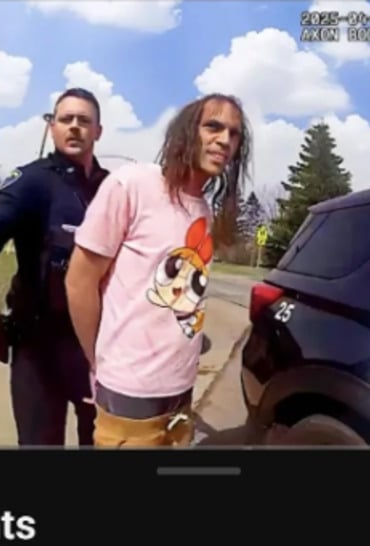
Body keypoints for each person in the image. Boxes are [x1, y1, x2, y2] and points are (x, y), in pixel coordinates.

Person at [65, 93, 251, 447]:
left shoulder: (204, 212)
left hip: (181, 390)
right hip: (128, 391)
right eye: (213, 126)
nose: (225, 140)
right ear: (186, 132)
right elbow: (79, 282)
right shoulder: (132, 184)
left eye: (234, 133)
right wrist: (98, 361)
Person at [0, 88, 108, 446]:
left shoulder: (112, 189)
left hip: (97, 348)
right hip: (37, 347)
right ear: (52, 126)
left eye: (84, 121)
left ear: (98, 132)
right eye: (65, 119)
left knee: (106, 444)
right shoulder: (33, 180)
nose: (74, 127)